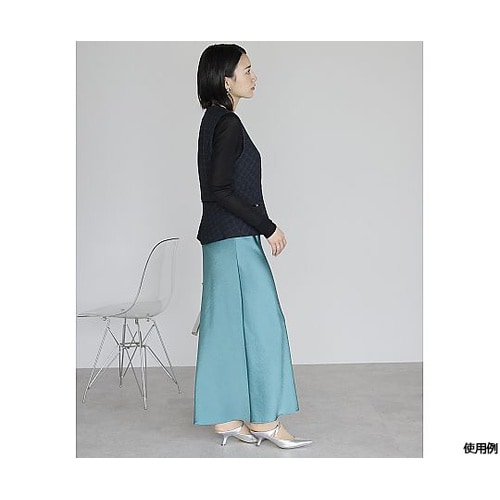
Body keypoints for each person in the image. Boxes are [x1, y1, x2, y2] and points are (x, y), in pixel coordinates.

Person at [193, 43, 312, 449]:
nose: (254, 76)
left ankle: (226, 418)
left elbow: (215, 188)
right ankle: (264, 421)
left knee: (224, 327)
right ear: (226, 80)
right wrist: (268, 226)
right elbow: (220, 189)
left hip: (218, 240)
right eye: (246, 70)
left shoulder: (211, 120)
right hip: (235, 240)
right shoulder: (228, 124)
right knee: (265, 327)